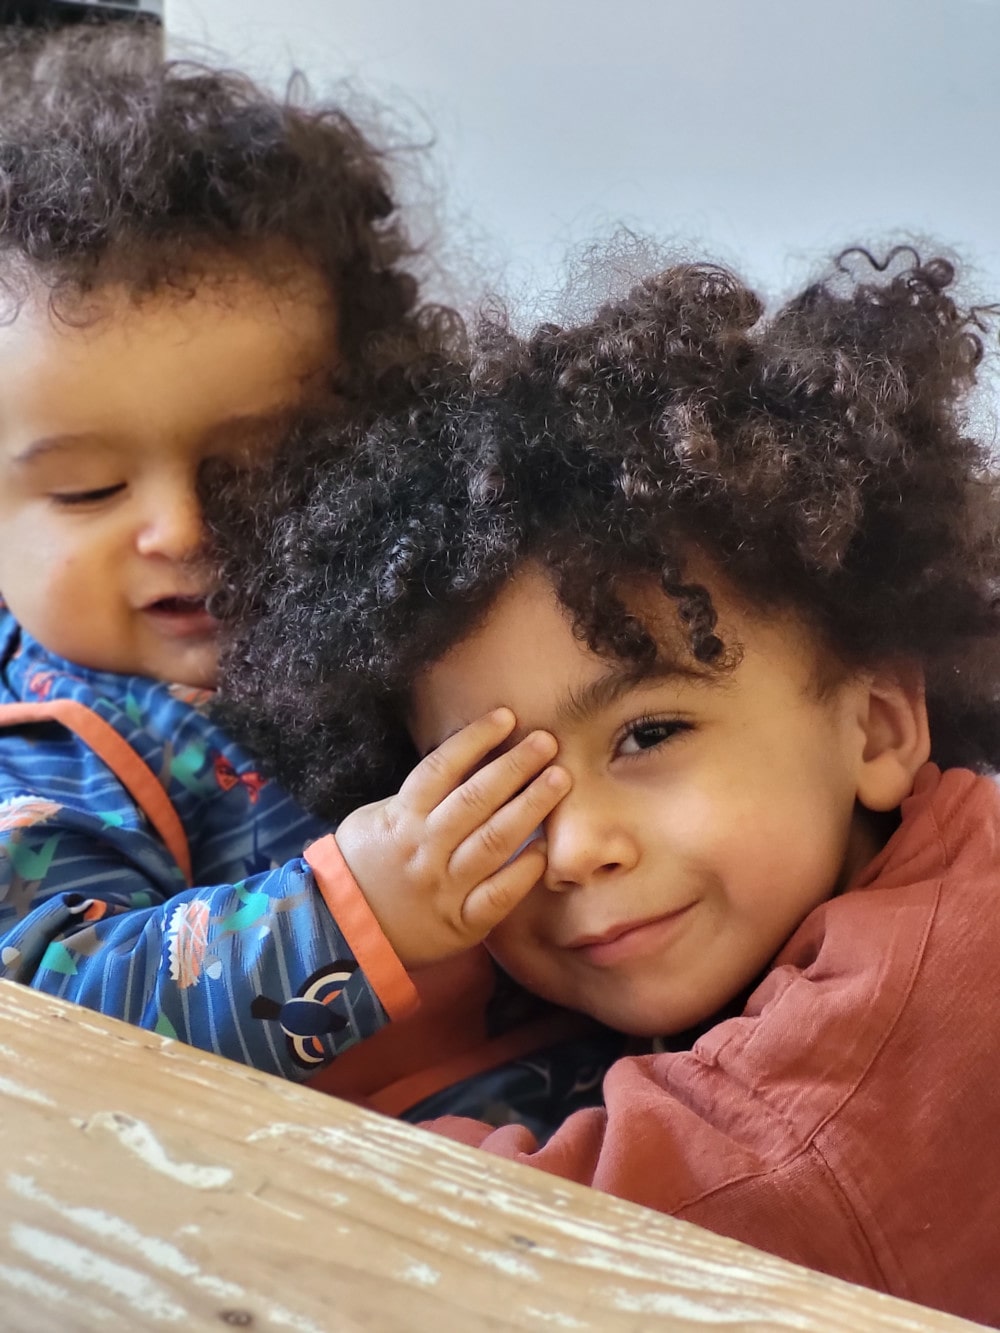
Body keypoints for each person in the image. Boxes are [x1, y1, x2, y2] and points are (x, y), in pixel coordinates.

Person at [210, 247, 1000, 1322]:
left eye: (650, 732)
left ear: (874, 725)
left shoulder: (927, 984)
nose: (575, 847)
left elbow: (511, 1252)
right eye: (493, 782)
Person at [0, 20, 480, 1088]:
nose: (180, 530)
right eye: (88, 488)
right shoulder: (44, 754)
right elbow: (52, 1016)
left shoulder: (426, 602)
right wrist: (355, 909)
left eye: (253, 469)